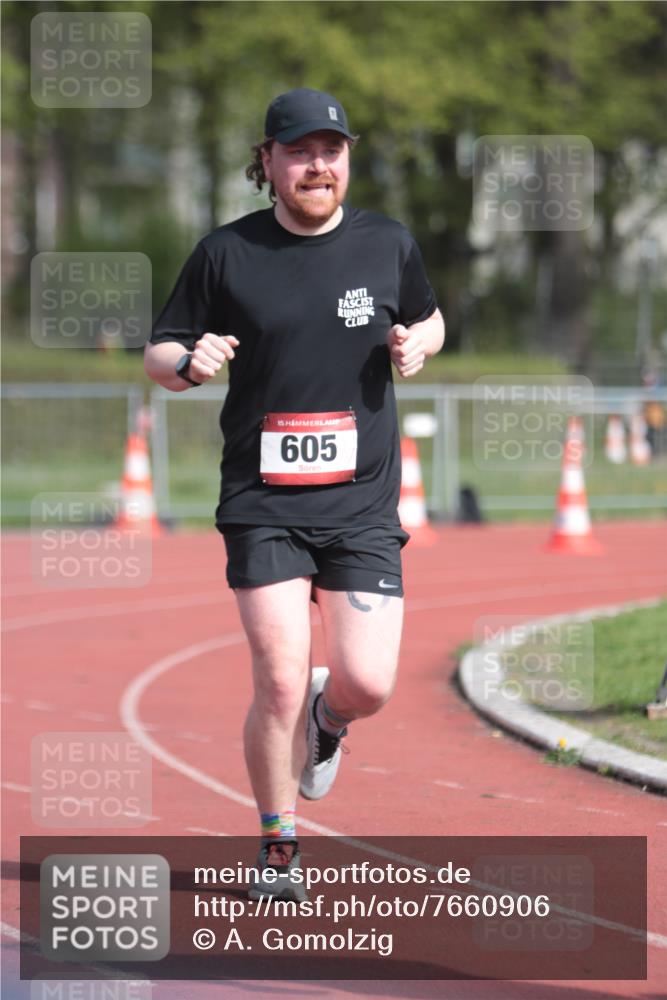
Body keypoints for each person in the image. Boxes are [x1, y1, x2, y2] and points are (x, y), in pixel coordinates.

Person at [144, 88, 445, 901]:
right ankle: (278, 846)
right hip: (263, 500)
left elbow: (431, 316)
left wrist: (419, 340)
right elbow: (161, 349)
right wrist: (187, 362)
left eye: (332, 151)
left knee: (368, 684)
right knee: (278, 676)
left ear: (346, 160)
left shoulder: (387, 243)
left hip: (360, 505)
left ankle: (330, 720)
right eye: (301, 151)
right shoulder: (224, 253)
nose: (319, 165)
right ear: (268, 162)